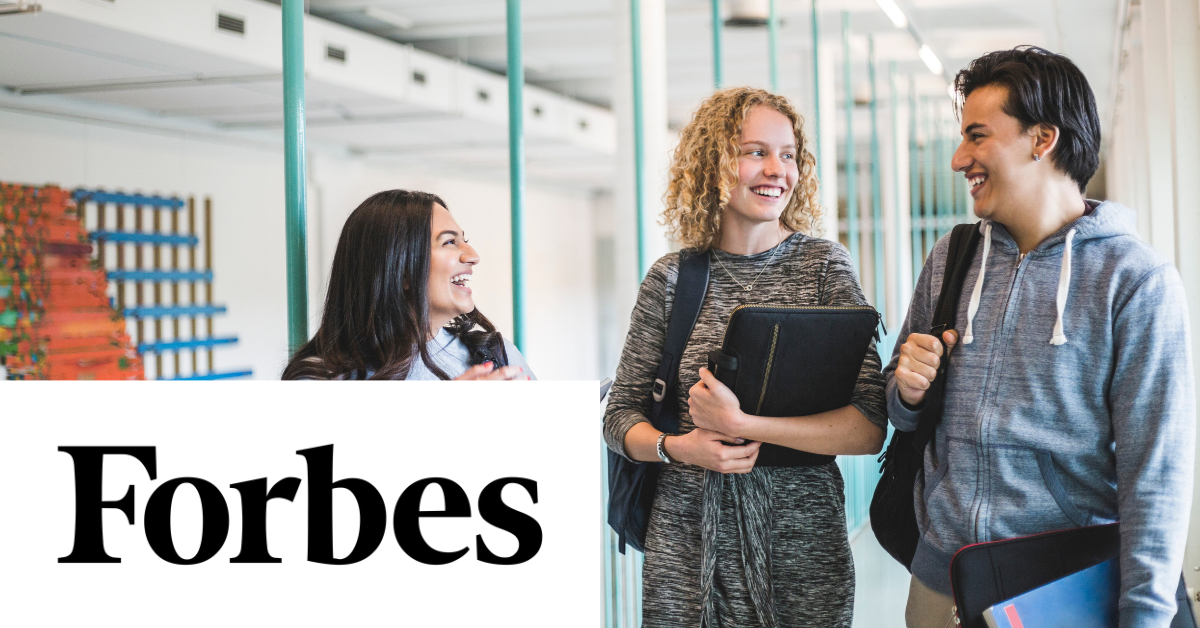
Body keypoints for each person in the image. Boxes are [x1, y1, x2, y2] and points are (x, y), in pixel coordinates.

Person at [885, 47, 1194, 628]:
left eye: (978, 136)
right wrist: (907, 391)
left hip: (1060, 586)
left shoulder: (1135, 281)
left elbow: (1157, 474)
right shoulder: (952, 259)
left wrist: (1147, 616)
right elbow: (901, 417)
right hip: (940, 581)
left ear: (1042, 139)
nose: (959, 158)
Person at [603, 87, 887, 627]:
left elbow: (869, 426)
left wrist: (744, 425)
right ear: (713, 163)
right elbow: (619, 419)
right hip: (688, 548)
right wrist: (678, 447)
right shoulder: (672, 278)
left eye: (788, 155)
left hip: (801, 546)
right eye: (755, 151)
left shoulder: (825, 267)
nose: (776, 169)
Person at [282, 189, 533, 381]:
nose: (472, 255)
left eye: (464, 240)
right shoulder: (321, 379)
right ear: (399, 269)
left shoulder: (497, 356)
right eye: (449, 243)